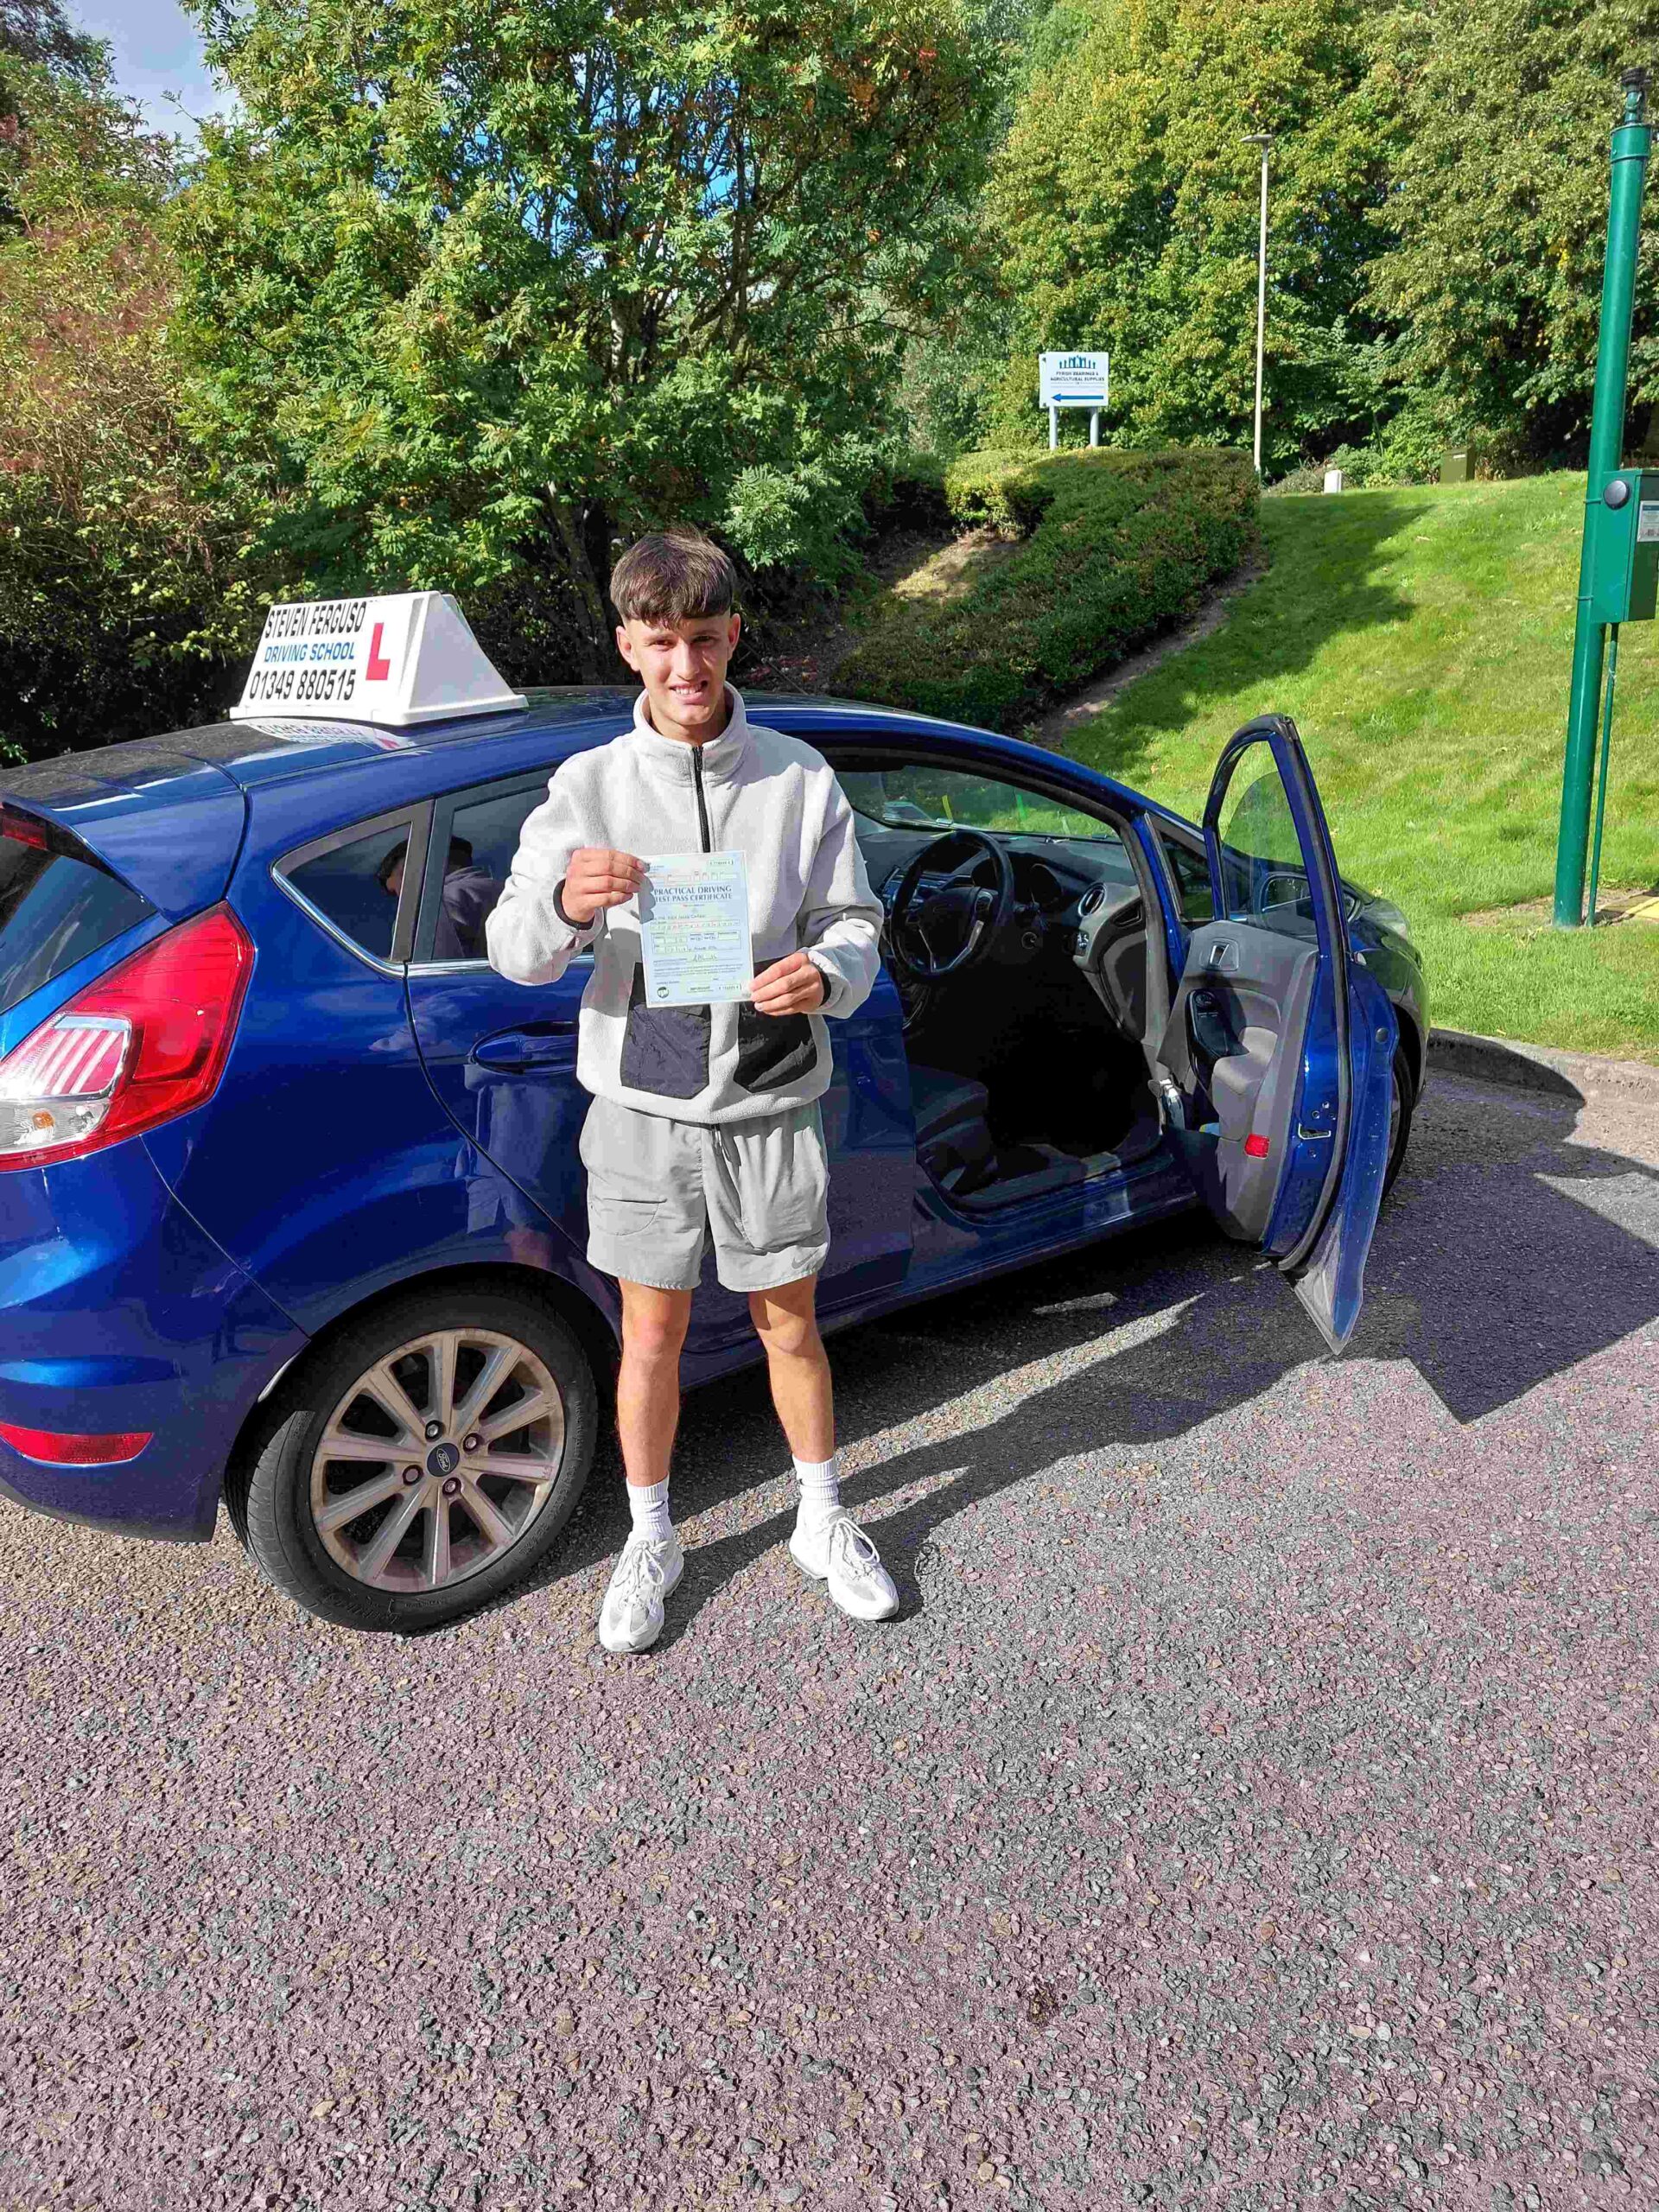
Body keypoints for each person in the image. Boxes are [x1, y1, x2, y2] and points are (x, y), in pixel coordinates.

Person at [486, 528, 896, 1654]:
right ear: (629, 644)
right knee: (651, 1336)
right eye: (662, 643)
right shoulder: (589, 787)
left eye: (705, 640)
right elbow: (515, 947)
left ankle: (821, 1518)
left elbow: (854, 921)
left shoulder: (798, 777)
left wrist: (830, 972)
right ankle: (651, 1537)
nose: (687, 667)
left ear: (734, 636)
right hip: (644, 1109)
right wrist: (566, 905)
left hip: (769, 1098)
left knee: (791, 1325)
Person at [378, 836, 500, 959]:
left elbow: (426, 969)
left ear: (412, 868)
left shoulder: (432, 910)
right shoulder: (505, 892)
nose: (400, 897)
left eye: (396, 889)